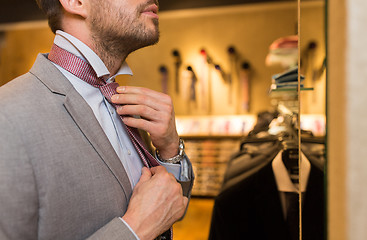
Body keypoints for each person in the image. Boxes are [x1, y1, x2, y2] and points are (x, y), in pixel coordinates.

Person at [0, 0, 194, 239]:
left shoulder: (126, 107)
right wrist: (133, 231)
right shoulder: (7, 118)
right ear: (76, 2)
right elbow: (145, 222)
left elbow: (167, 210)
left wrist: (169, 152)